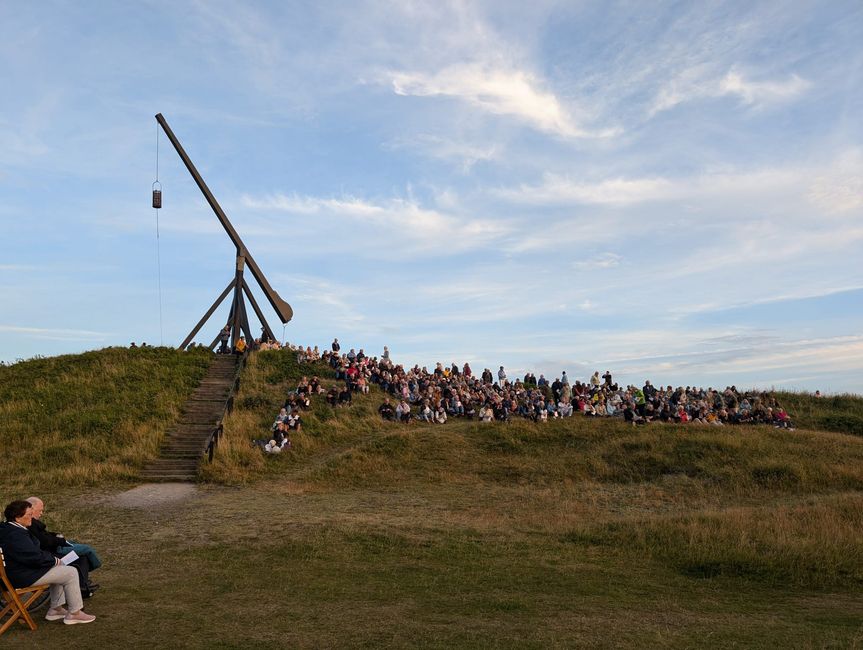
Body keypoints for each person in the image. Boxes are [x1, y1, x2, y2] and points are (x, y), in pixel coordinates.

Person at [0, 500, 95, 625]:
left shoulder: (8, 529)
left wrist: (52, 561)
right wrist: (54, 560)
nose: (31, 518)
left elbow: (32, 554)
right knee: (70, 572)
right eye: (29, 515)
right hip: (20, 576)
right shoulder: (16, 535)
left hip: (15, 572)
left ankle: (55, 610)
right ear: (17, 518)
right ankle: (74, 613)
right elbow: (33, 556)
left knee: (59, 569)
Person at [26, 497, 100, 598]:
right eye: (40, 510)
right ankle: (85, 581)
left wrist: (56, 536)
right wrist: (59, 540)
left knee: (80, 553)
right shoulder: (30, 524)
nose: (41, 513)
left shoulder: (30, 524)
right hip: (51, 554)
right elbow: (44, 542)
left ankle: (83, 584)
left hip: (49, 552)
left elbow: (44, 536)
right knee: (85, 551)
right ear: (32, 509)